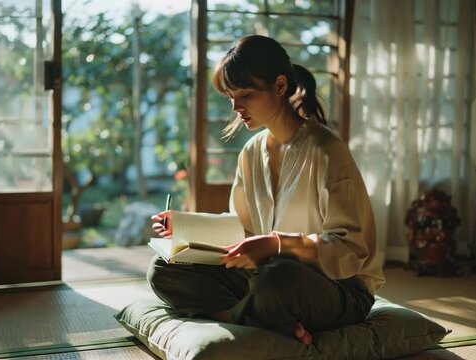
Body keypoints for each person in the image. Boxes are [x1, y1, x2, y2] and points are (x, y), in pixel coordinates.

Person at [148, 35, 384, 346]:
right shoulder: (250, 152)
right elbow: (240, 228)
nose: (235, 107)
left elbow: (350, 250)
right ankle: (260, 318)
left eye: (245, 94)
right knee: (164, 268)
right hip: (266, 275)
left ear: (280, 86)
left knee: (278, 279)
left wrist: (277, 244)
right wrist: (185, 228)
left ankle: (240, 317)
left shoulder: (327, 150)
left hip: (337, 286)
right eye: (230, 96)